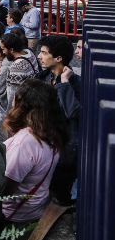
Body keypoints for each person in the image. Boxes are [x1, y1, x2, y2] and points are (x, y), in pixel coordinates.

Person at [2, 79, 67, 224]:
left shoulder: (26, 142)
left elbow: (5, 188)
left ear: (22, 106)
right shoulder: (52, 132)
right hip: (35, 208)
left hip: (14, 215)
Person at [37, 35, 81, 205]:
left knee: (61, 192)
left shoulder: (73, 82)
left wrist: (64, 83)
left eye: (44, 52)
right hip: (47, 142)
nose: (40, 56)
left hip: (65, 149)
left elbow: (71, 111)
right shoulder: (46, 76)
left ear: (58, 58)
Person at [1, 33, 40, 111]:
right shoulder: (29, 52)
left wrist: (10, 114)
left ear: (11, 50)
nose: (3, 53)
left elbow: (13, 96)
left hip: (22, 108)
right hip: (33, 100)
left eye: (3, 49)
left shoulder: (16, 67)